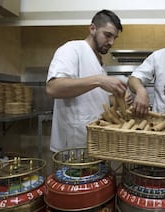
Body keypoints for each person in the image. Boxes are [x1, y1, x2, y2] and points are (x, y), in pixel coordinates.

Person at [46, 9, 126, 153]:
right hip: (72, 146)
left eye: (115, 38)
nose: (111, 42)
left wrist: (117, 98)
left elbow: (91, 98)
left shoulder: (98, 62)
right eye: (107, 35)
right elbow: (53, 88)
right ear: (92, 29)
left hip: (94, 143)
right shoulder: (72, 49)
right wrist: (99, 80)